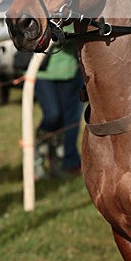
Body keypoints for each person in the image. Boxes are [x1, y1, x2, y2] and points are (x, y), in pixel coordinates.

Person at [34, 39, 83, 179]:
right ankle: (36, 157)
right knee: (52, 115)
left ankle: (60, 162)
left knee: (67, 121)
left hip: (71, 69)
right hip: (42, 70)